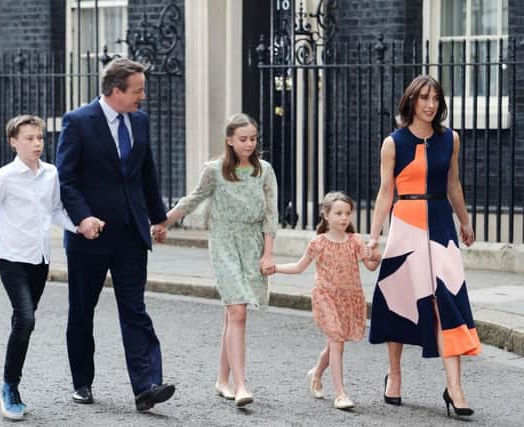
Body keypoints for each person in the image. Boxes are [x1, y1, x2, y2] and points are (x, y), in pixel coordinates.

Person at [56, 57, 175, 411]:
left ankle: (147, 386)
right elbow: (67, 179)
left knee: (135, 309)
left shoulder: (139, 120)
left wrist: (158, 218)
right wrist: (83, 217)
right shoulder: (78, 122)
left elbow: (146, 173)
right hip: (89, 236)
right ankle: (82, 382)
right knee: (82, 311)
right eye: (138, 90)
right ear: (116, 91)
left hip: (130, 234)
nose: (144, 96)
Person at [367, 75, 481, 417]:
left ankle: (455, 387)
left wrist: (465, 220)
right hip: (406, 223)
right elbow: (386, 192)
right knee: (400, 298)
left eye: (435, 98)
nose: (430, 104)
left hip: (441, 224)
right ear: (412, 101)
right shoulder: (394, 142)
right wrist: (374, 237)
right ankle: (395, 375)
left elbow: (453, 184)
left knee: (449, 299)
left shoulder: (451, 140)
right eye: (424, 98)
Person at [0, 115, 93, 420]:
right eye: (29, 138)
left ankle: (10, 382)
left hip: (40, 261)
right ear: (13, 142)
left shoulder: (51, 174)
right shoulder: (4, 177)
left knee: (22, 323)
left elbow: (55, 211)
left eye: (39, 138)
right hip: (12, 259)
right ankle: (10, 388)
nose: (37, 143)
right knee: (25, 320)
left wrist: (78, 227)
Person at [160, 113, 278, 407]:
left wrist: (268, 252)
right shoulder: (214, 170)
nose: (249, 143)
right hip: (224, 241)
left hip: (252, 243)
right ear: (229, 140)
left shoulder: (264, 171)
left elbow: (271, 214)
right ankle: (241, 385)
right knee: (237, 309)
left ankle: (222, 380)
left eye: (253, 138)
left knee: (234, 314)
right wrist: (164, 222)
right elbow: (193, 199)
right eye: (243, 139)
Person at [268, 192, 380, 410]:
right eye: (338, 213)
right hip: (325, 297)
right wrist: (276, 268)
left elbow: (370, 266)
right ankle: (340, 394)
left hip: (349, 298)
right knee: (336, 341)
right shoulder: (318, 242)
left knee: (335, 343)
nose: (344, 218)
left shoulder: (356, 240)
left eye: (347, 213)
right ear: (326, 215)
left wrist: (377, 256)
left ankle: (317, 373)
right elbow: (300, 267)